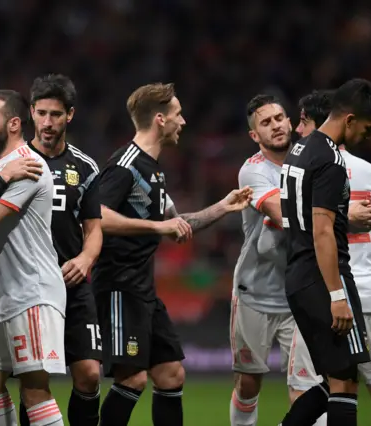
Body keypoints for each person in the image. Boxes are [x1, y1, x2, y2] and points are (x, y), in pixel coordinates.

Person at [92, 82, 252, 426]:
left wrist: (223, 207)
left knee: (171, 375)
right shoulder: (126, 164)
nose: (184, 122)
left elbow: (178, 225)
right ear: (160, 119)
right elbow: (97, 216)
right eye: (178, 115)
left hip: (143, 290)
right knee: (132, 379)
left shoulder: (154, 170)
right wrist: (156, 229)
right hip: (119, 287)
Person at [287, 90, 371, 426]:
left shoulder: (297, 155)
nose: (367, 136)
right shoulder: (345, 165)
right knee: (356, 385)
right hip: (339, 283)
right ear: (349, 120)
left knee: (328, 382)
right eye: (366, 129)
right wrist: (338, 294)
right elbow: (324, 229)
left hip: (302, 278)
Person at [0, 89, 67, 426]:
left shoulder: (28, 166)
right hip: (8, 295)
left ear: (14, 124)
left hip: (33, 292)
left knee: (34, 388)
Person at [21, 74, 103, 426]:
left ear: (70, 115)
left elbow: (94, 229)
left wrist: (85, 258)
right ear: (30, 113)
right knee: (35, 378)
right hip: (30, 286)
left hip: (73, 283)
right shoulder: (15, 162)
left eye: (56, 114)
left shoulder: (85, 167)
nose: (48, 122)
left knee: (89, 374)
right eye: (41, 113)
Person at [228, 94, 295, 426]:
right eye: (266, 123)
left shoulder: (308, 164)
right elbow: (281, 214)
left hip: (298, 294)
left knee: (306, 386)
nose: (276, 126)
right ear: (255, 136)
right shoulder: (252, 172)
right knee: (249, 382)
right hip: (255, 291)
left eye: (279, 118)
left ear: (291, 121)